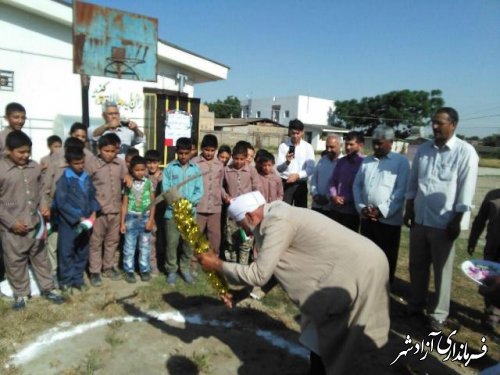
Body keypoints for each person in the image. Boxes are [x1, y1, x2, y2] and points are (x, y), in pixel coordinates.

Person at [197, 191, 390, 375]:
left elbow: (259, 274)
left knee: (335, 335)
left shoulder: (276, 221)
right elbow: (272, 270)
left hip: (359, 270)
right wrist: (243, 294)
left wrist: (217, 264)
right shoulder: (276, 215)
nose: (244, 230)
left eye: (242, 225)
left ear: (249, 216)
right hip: (350, 268)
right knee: (323, 333)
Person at [404, 107, 479, 330]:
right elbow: (413, 181)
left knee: (442, 270)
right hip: (420, 219)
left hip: (444, 224)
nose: (434, 127)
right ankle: (415, 305)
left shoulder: (465, 152)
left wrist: (457, 220)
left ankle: (438, 313)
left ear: (453, 124)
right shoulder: (424, 149)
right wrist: (409, 208)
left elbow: (466, 190)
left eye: (440, 123)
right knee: (417, 266)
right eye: (433, 122)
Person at [0, 131, 64, 309]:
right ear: (8, 150)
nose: (25, 155)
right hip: (12, 229)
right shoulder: (2, 170)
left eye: (28, 151)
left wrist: (44, 204)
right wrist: (12, 222)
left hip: (35, 224)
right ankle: (21, 294)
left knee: (41, 258)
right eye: (20, 152)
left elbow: (42, 189)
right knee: (15, 261)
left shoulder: (34, 167)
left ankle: (48, 288)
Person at [353, 126, 409, 285]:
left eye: (380, 144)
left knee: (386, 258)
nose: (376, 147)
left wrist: (381, 211)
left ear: (391, 143)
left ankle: (383, 289)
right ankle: (366, 285)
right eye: (374, 143)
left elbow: (401, 191)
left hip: (387, 221)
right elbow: (357, 186)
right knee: (367, 255)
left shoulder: (400, 162)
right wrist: (361, 207)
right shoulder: (367, 161)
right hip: (364, 217)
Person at [53, 147, 100, 294]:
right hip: (69, 223)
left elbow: (93, 195)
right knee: (67, 252)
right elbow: (61, 202)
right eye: (76, 163)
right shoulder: (64, 179)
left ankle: (78, 279)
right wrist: (76, 217)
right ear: (69, 163)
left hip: (85, 222)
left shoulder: (86, 177)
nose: (80, 166)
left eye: (82, 162)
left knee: (82, 250)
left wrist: (93, 211)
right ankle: (65, 281)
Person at [87, 133, 129, 287]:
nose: (110, 154)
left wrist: (128, 178)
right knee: (96, 242)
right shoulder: (92, 164)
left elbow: (127, 177)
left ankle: (108, 267)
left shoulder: (121, 164)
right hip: (98, 212)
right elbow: (86, 185)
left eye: (113, 151)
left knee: (112, 241)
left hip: (116, 211)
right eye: (107, 151)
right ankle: (95, 271)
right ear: (99, 149)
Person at [163, 137, 203, 285]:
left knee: (188, 244)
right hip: (172, 213)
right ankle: (171, 270)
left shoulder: (196, 169)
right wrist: (178, 205)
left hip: (190, 213)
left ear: (191, 152)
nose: (183, 156)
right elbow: (166, 190)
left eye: (186, 153)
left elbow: (199, 191)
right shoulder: (169, 168)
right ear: (176, 152)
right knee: (172, 243)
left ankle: (185, 269)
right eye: (180, 153)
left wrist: (189, 203)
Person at [222, 143, 262, 264]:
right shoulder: (226, 170)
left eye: (241, 159)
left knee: (245, 243)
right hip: (232, 214)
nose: (238, 162)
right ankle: (234, 269)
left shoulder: (251, 170)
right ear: (232, 156)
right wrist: (225, 196)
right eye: (236, 159)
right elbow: (220, 187)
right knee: (231, 242)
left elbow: (257, 188)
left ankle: (243, 269)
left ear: (246, 158)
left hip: (247, 214)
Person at [468, 188, 500, 331]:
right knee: (490, 281)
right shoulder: (492, 196)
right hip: (492, 248)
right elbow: (480, 219)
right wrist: (472, 239)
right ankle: (491, 313)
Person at [120, 156, 155, 283]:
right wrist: (122, 222)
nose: (140, 172)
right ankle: (129, 270)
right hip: (131, 217)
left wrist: (151, 220)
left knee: (145, 246)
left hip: (145, 218)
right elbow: (124, 204)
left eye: (142, 169)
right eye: (137, 170)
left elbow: (153, 202)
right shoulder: (128, 183)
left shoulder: (148, 183)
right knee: (129, 246)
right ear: (131, 170)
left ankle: (144, 269)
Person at [192, 134, 224, 256]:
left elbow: (220, 185)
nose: (209, 153)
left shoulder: (219, 164)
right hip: (199, 206)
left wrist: (224, 197)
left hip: (215, 207)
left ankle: (213, 260)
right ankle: (194, 262)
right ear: (201, 148)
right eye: (206, 150)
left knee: (215, 236)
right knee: (196, 235)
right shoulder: (194, 163)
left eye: (212, 150)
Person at [329, 131, 364, 232]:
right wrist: (334, 196)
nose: (348, 147)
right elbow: (332, 182)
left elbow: (362, 187)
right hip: (335, 209)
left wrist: (346, 199)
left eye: (351, 144)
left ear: (360, 145)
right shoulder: (341, 161)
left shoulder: (364, 163)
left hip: (351, 212)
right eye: (346, 144)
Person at [276, 119, 315, 208]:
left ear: (302, 132)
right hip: (286, 182)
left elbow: (311, 168)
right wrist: (287, 161)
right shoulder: (283, 146)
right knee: (284, 210)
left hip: (300, 184)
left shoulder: (308, 147)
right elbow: (279, 169)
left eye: (298, 133)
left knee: (301, 212)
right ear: (289, 132)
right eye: (293, 133)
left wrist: (297, 176)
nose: (295, 136)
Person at [311, 135, 341, 217]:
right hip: (317, 205)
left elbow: (341, 184)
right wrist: (315, 194)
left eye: (332, 147)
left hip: (332, 207)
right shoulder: (322, 160)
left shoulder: (342, 162)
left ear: (340, 146)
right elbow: (314, 179)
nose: (328, 150)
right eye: (327, 147)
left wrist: (327, 197)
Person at [145, 149, 163, 274]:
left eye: (155, 162)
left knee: (161, 239)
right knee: (151, 239)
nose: (152, 165)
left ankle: (162, 261)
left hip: (162, 212)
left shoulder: (164, 175)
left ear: (159, 163)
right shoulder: (143, 175)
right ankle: (152, 264)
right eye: (149, 162)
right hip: (149, 213)